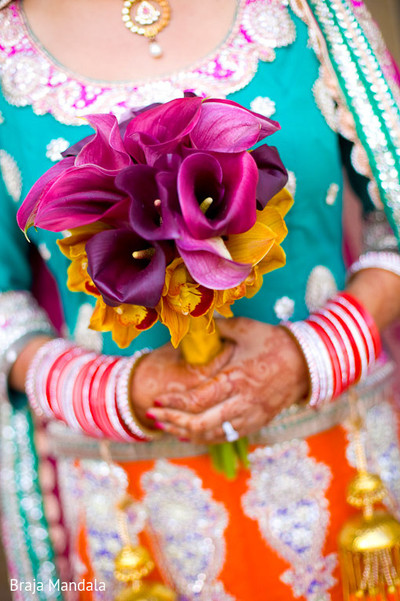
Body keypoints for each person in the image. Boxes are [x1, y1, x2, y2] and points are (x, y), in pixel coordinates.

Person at [1, 0, 400, 599]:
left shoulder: (312, 15)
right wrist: (112, 391)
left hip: (348, 474)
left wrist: (311, 353)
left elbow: (391, 219)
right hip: (132, 515)